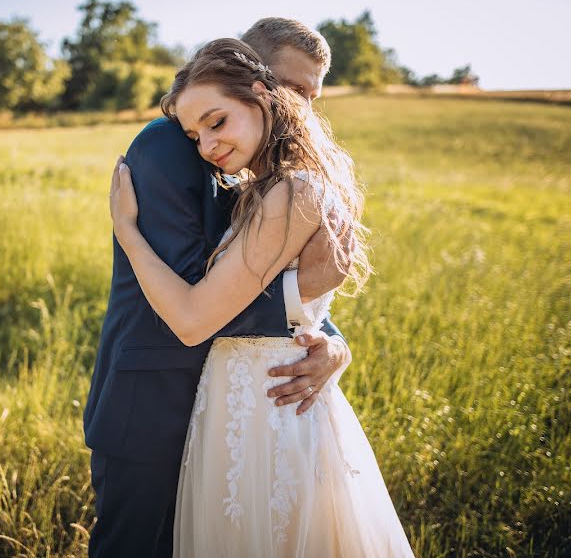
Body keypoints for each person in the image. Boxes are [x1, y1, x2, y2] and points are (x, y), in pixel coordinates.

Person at [109, 38, 414, 557]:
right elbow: (269, 287)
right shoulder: (174, 150)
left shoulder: (286, 186)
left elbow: (201, 313)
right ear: (258, 80)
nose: (301, 105)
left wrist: (127, 231)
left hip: (261, 402)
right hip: (162, 400)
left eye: (310, 94)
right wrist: (308, 311)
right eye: (293, 86)